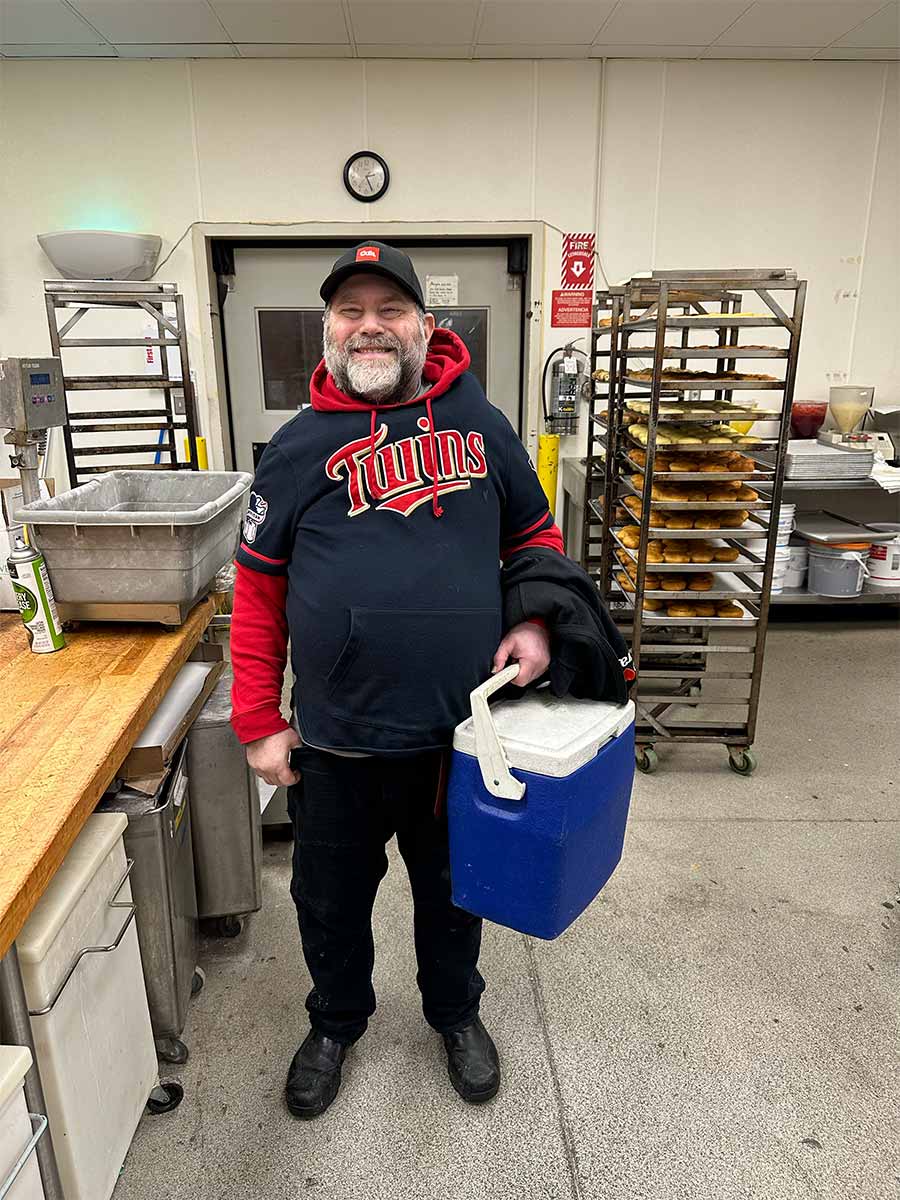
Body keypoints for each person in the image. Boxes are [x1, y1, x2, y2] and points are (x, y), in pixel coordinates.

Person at [230, 240, 565, 1119]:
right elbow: (258, 594)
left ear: (424, 326)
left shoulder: (483, 424)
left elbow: (535, 539)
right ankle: (336, 1022)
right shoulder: (297, 447)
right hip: (335, 741)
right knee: (328, 904)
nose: (369, 327)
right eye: (351, 311)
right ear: (330, 329)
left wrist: (532, 621)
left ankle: (455, 1014)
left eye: (390, 311)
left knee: (456, 897)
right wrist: (258, 719)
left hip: (459, 741)